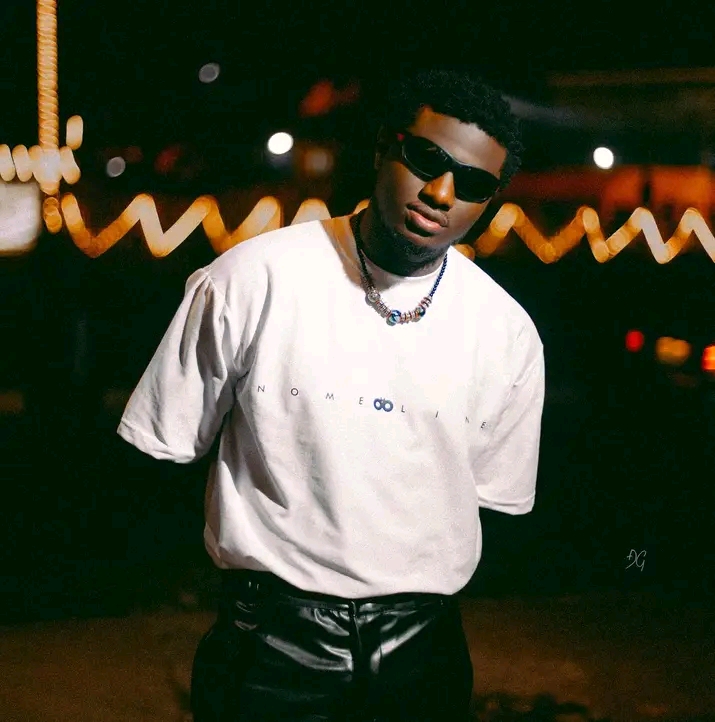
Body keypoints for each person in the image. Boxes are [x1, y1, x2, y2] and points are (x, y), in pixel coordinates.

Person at [117, 67, 545, 722]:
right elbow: (161, 449)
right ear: (383, 147)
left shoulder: (505, 331)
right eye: (425, 159)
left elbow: (492, 496)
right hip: (268, 642)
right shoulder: (250, 278)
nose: (440, 193)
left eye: (473, 183)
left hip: (424, 648)